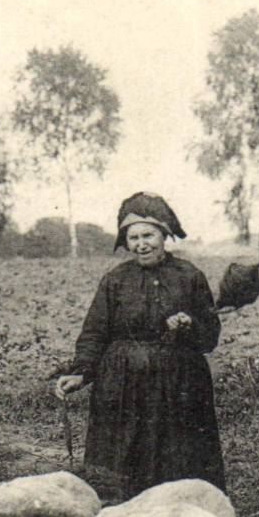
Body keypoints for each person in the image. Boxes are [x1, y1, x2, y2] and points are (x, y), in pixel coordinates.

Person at [54, 192, 226, 501]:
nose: (141, 244)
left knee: (179, 454)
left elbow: (210, 335)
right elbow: (95, 332)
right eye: (133, 237)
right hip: (123, 385)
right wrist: (82, 372)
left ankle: (185, 508)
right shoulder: (115, 280)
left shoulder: (189, 277)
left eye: (148, 235)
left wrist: (190, 326)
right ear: (125, 241)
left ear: (164, 236)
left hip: (179, 385)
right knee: (123, 460)